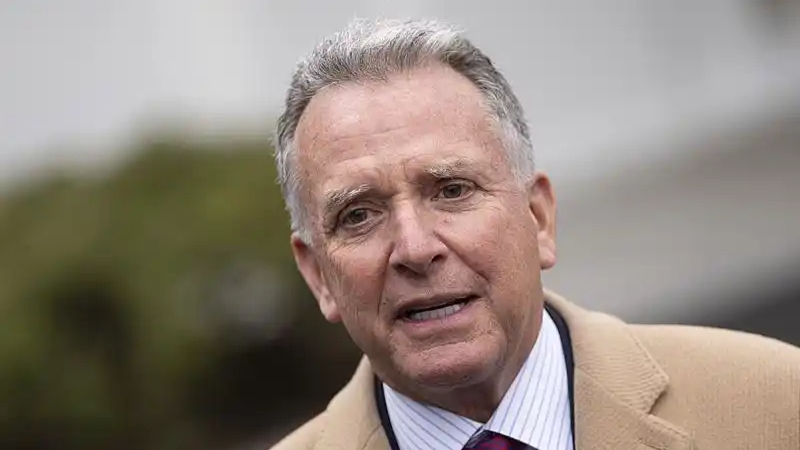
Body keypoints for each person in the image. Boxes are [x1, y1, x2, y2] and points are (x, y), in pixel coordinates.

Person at [269, 18, 800, 450]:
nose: (416, 248)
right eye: (358, 216)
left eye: (451, 190)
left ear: (538, 217)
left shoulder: (774, 404)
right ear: (318, 276)